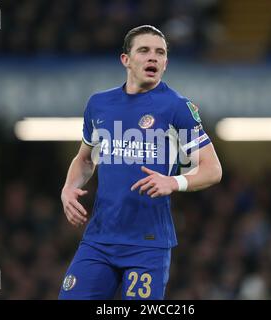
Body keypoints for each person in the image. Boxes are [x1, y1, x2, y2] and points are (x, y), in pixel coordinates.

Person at [58, 25, 222, 300]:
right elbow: (85, 159)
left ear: (166, 63)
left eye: (160, 53)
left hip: (147, 245)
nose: (153, 58)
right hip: (99, 239)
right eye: (144, 51)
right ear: (126, 59)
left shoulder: (177, 108)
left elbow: (212, 169)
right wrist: (68, 188)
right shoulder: (99, 104)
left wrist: (174, 182)